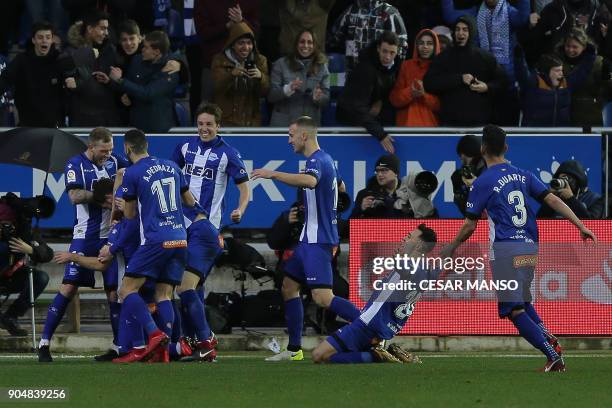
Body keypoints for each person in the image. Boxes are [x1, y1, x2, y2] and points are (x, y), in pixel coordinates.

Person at [441, 124, 597, 372]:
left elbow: (470, 224)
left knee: (513, 310)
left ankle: (552, 356)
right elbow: (553, 199)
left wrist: (450, 247)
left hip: (505, 250)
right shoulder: (522, 175)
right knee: (522, 301)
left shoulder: (483, 182)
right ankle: (550, 340)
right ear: (506, 147)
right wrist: (580, 225)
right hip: (529, 248)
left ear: (482, 149)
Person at [252, 116, 361, 361]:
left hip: (318, 242)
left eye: (291, 135)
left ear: (304, 135)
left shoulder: (317, 161)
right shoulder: (328, 160)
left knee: (323, 298)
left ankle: (372, 326)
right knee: (289, 287)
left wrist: (274, 174)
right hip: (307, 241)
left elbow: (310, 181)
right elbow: (341, 188)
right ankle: (294, 351)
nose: (289, 140)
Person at [111, 129, 201, 363]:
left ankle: (154, 333)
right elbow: (190, 201)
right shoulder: (172, 166)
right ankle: (164, 350)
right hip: (180, 238)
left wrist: (122, 201)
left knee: (126, 290)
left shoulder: (132, 172)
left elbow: (130, 215)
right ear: (147, 145)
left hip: (155, 239)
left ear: (127, 149)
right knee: (164, 294)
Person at [39, 127, 127, 363]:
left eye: (110, 150)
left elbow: (129, 174)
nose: (107, 155)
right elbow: (74, 196)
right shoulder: (75, 164)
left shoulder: (116, 161)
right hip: (84, 235)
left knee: (113, 292)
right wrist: (101, 197)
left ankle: (118, 347)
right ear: (91, 147)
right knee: (68, 287)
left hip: (110, 235)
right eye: (103, 150)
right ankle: (44, 343)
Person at [311, 224, 437, 364]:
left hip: (368, 324)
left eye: (409, 237)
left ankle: (377, 356)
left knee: (319, 356)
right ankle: (377, 352)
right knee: (329, 355)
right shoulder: (424, 271)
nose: (404, 239)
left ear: (419, 245)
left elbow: (405, 271)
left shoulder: (410, 266)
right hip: (379, 326)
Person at [171, 102, 250, 230]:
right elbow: (171, 174)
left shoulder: (229, 154)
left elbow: (245, 189)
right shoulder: (185, 145)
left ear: (218, 126)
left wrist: (240, 210)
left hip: (210, 222)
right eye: (200, 124)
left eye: (209, 124)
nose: (204, 128)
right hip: (182, 219)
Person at [423, 15, 508, 126]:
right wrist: (459, 79)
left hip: (479, 124)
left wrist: (487, 87)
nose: (460, 33)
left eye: (465, 30)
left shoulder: (485, 57)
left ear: (471, 32)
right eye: (457, 29)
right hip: (449, 124)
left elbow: (503, 82)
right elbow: (429, 83)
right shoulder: (443, 58)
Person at [336, 31, 401, 154]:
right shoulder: (365, 70)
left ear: (397, 52)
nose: (387, 57)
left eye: (392, 53)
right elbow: (357, 107)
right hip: (350, 121)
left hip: (368, 120)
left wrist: (381, 100)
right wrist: (380, 134)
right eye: (384, 51)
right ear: (378, 49)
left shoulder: (395, 67)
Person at [108, 30, 180, 132]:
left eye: (146, 47)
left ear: (157, 52)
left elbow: (147, 93)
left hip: (158, 128)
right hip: (135, 125)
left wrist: (120, 80)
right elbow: (130, 84)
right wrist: (126, 95)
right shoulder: (137, 60)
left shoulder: (170, 71)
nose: (142, 49)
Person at [0, 199, 52, 336]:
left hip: (10, 279)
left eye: (9, 224)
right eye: (3, 223)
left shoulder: (23, 231)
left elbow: (48, 254)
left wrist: (31, 250)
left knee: (41, 278)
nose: (6, 227)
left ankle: (10, 317)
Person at [62, 10, 122, 127]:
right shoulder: (71, 52)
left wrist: (111, 81)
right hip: (82, 118)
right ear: (90, 29)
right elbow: (67, 80)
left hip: (108, 118)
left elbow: (119, 81)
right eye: (102, 28)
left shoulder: (111, 50)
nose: (106, 33)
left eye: (107, 29)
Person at [0, 21, 65, 127]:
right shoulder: (22, 60)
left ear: (52, 40)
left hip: (53, 124)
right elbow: (5, 80)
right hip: (27, 123)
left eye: (48, 37)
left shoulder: (60, 60)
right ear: (33, 40)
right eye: (40, 37)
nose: (44, 41)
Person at [514, 46, 595, 126]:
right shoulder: (533, 84)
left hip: (560, 134)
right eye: (557, 70)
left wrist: (591, 55)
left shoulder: (566, 84)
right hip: (536, 135)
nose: (561, 73)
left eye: (561, 70)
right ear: (546, 72)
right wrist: (519, 58)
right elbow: (522, 74)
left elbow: (582, 72)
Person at [211, 21, 270, 126]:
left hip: (251, 122)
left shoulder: (260, 60)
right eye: (241, 43)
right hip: (226, 121)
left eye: (249, 43)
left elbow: (266, 92)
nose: (246, 47)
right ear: (232, 44)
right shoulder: (219, 60)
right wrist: (232, 75)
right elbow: (216, 89)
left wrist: (261, 77)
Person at [268, 29, 330, 126]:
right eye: (302, 42)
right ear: (296, 44)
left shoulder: (322, 66)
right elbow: (271, 96)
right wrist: (288, 89)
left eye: (310, 42)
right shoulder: (280, 64)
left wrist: (318, 98)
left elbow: (326, 99)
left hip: (309, 125)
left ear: (314, 46)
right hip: (283, 125)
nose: (305, 46)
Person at [327, 0, 408, 72]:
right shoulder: (351, 11)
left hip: (380, 73)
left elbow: (401, 43)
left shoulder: (389, 12)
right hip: (353, 71)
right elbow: (334, 38)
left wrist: (393, 68)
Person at [559, 27, 612, 127]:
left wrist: (607, 78)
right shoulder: (556, 61)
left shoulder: (598, 63)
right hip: (562, 118)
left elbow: (608, 90)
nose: (570, 50)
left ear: (583, 47)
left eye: (575, 47)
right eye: (568, 46)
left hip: (590, 119)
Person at [389, 29, 441, 127]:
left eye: (429, 43)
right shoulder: (406, 66)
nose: (425, 47)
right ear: (416, 46)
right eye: (421, 43)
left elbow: (442, 105)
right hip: (406, 127)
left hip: (431, 128)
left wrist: (424, 95)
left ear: (435, 46)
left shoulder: (440, 69)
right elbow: (394, 99)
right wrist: (410, 92)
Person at [537, 159, 605, 219]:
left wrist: (571, 199)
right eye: (560, 178)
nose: (564, 181)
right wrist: (551, 198)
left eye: (568, 178)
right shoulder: (557, 198)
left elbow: (593, 223)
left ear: (579, 181)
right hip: (556, 232)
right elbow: (540, 221)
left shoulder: (595, 199)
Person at [451, 134, 486, 216]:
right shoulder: (464, 176)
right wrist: (458, 192)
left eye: (461, 155)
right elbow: (468, 213)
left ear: (463, 154)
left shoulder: (489, 172)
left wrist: (474, 186)